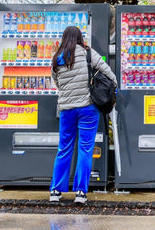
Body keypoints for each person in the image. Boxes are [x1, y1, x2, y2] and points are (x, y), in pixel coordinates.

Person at [49, 26, 117, 204]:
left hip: (66, 109)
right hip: (88, 108)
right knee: (85, 149)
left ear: (64, 38)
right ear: (79, 37)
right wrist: (115, 85)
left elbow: (56, 82)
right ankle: (80, 193)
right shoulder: (88, 53)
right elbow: (106, 70)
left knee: (64, 148)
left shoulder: (57, 57)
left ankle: (55, 191)